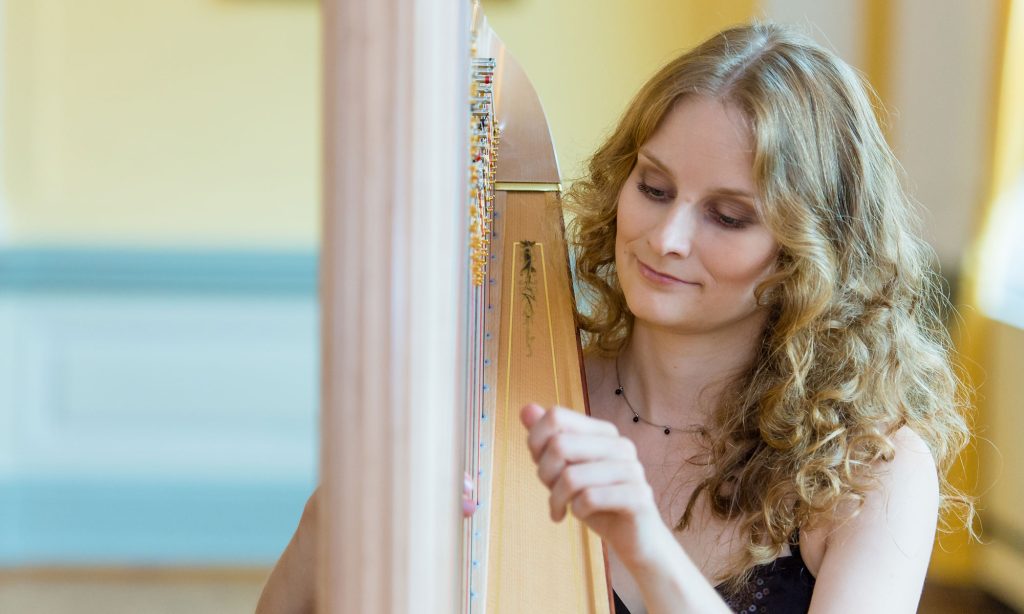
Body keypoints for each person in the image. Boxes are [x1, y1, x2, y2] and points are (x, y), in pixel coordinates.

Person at [257, 22, 972, 614]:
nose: (667, 238)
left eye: (727, 216)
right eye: (654, 188)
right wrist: (343, 510)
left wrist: (643, 542)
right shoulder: (511, 405)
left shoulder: (869, 471)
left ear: (808, 253)